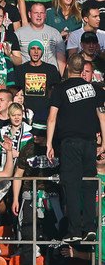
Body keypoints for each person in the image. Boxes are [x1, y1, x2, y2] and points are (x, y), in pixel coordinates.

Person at [46, 53, 105, 243]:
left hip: (70, 142)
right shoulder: (95, 89)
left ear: (68, 68)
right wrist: (104, 142)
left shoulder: (60, 89)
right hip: (90, 142)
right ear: (81, 70)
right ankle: (90, 227)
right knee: (89, 184)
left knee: (71, 185)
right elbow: (102, 117)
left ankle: (75, 230)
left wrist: (49, 143)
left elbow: (52, 118)